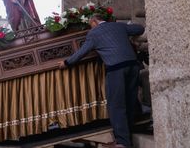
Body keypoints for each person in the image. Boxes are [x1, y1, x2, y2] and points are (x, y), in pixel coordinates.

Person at [58, 14, 145, 148]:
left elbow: (82, 52)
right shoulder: (118, 25)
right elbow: (139, 28)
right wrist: (125, 31)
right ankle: (133, 130)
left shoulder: (94, 33)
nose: (89, 27)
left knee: (116, 106)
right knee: (130, 100)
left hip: (116, 69)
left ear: (93, 21)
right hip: (133, 65)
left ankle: (123, 142)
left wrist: (67, 62)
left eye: (89, 24)